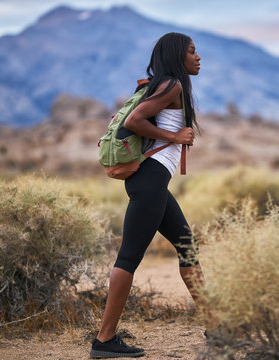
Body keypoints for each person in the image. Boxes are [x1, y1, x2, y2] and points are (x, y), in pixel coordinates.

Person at [90, 32, 204, 359]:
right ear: (176, 56)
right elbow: (134, 119)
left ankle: (218, 326)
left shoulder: (162, 85)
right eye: (192, 52)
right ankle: (104, 340)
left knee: (187, 246)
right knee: (129, 257)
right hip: (150, 180)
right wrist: (175, 135)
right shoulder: (172, 86)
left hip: (153, 181)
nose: (198, 58)